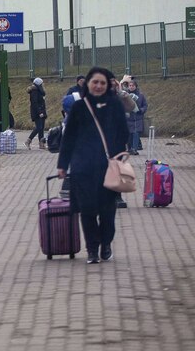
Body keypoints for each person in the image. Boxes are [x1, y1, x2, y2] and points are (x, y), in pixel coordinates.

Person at [56, 66, 128, 264]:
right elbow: (68, 137)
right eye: (95, 82)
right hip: (82, 168)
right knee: (86, 209)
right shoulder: (80, 107)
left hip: (108, 167)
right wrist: (63, 164)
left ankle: (106, 244)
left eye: (102, 83)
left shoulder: (115, 105)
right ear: (87, 83)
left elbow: (123, 132)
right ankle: (92, 249)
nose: (98, 86)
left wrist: (119, 156)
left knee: (107, 211)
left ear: (108, 85)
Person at [125, 76, 147, 155]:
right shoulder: (125, 95)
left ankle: (134, 148)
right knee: (129, 134)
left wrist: (141, 110)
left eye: (132, 86)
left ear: (136, 86)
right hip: (128, 118)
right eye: (130, 86)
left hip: (137, 118)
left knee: (136, 133)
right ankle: (129, 148)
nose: (131, 87)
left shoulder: (141, 95)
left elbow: (145, 105)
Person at [25, 77, 47, 149]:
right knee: (39, 127)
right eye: (41, 84)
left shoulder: (40, 91)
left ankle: (41, 143)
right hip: (37, 112)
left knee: (42, 127)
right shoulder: (35, 91)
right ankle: (28, 140)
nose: (43, 85)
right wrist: (40, 112)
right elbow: (35, 103)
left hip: (42, 110)